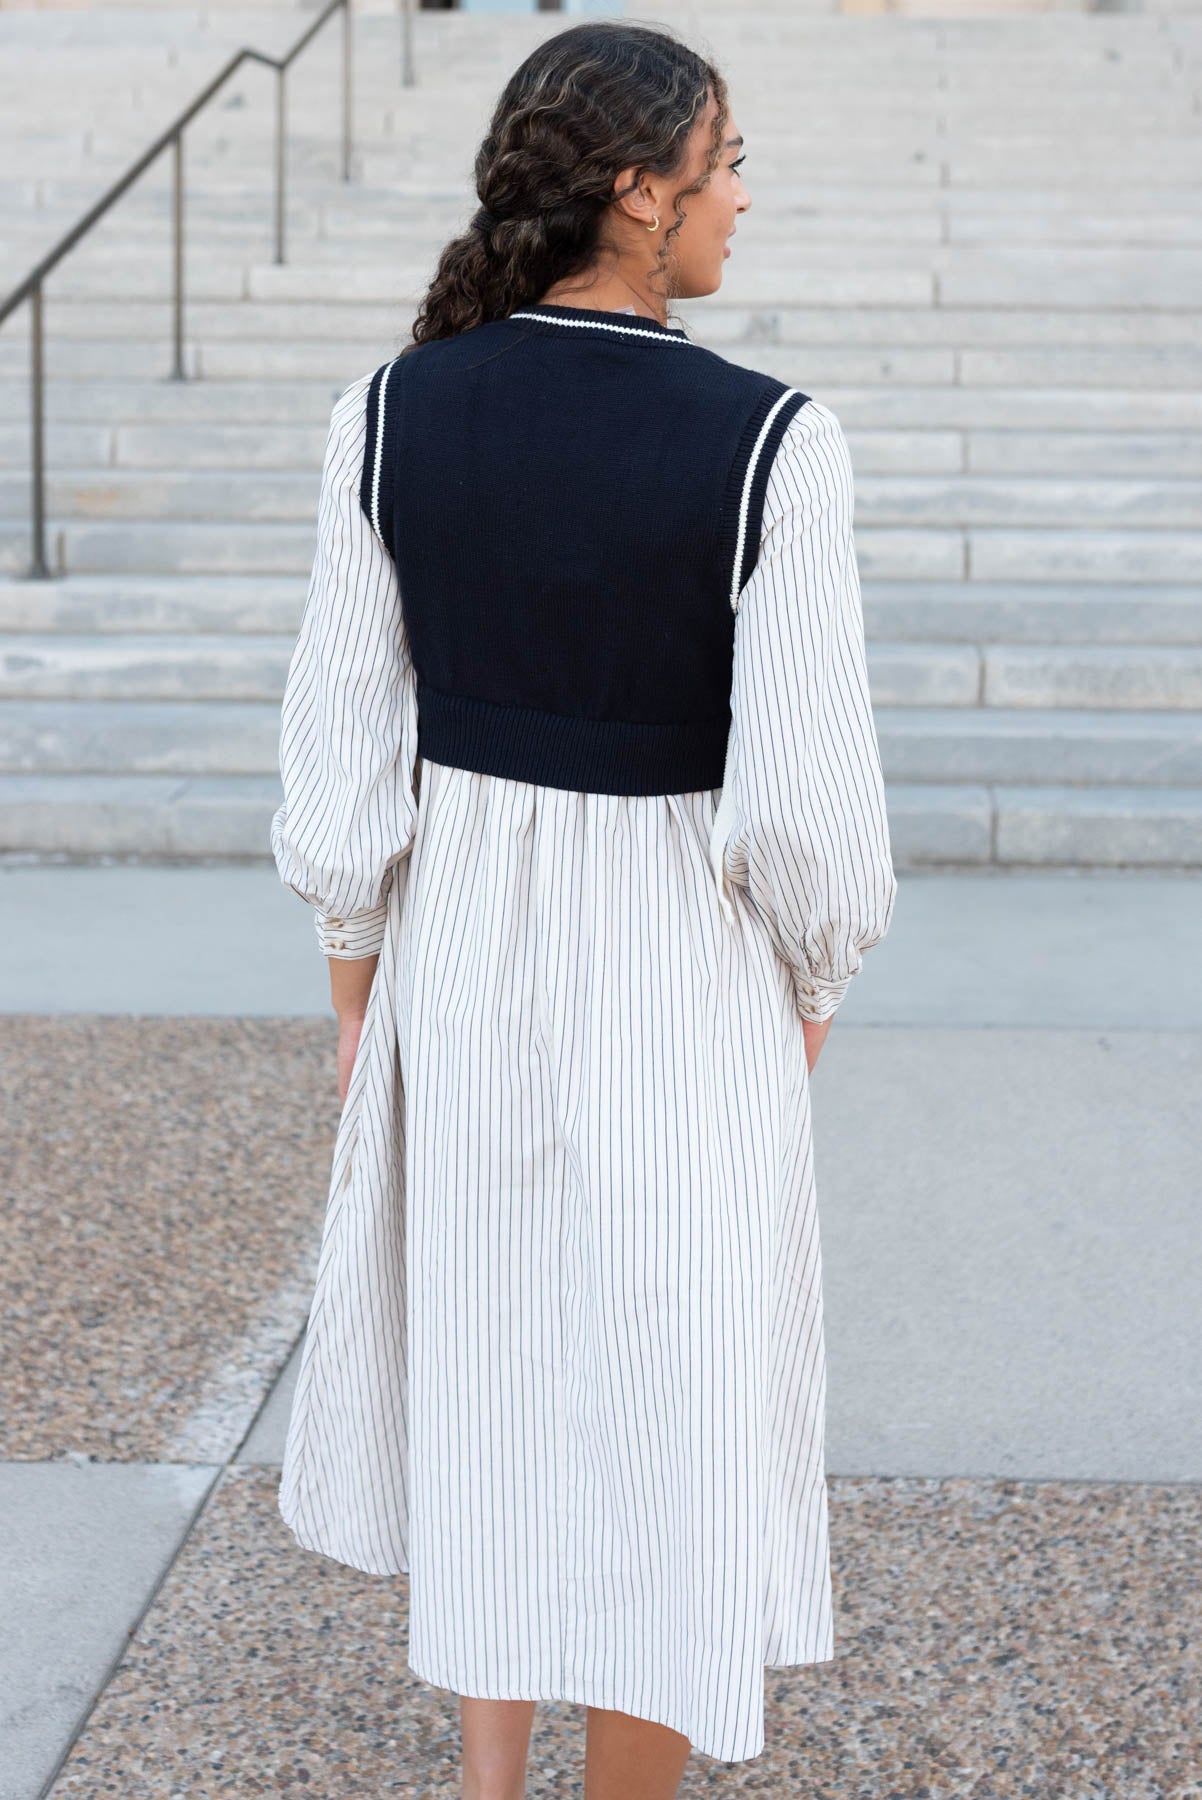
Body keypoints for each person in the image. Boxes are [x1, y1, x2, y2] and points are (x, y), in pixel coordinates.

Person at [269, 18, 897, 1800]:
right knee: (661, 1415)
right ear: (638, 192)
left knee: (491, 1371)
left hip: (458, 950)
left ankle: (489, 1788)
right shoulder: (772, 442)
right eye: (725, 164)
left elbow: (344, 748)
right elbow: (811, 809)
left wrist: (354, 989)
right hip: (673, 961)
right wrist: (815, 985)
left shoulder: (388, 409)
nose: (742, 200)